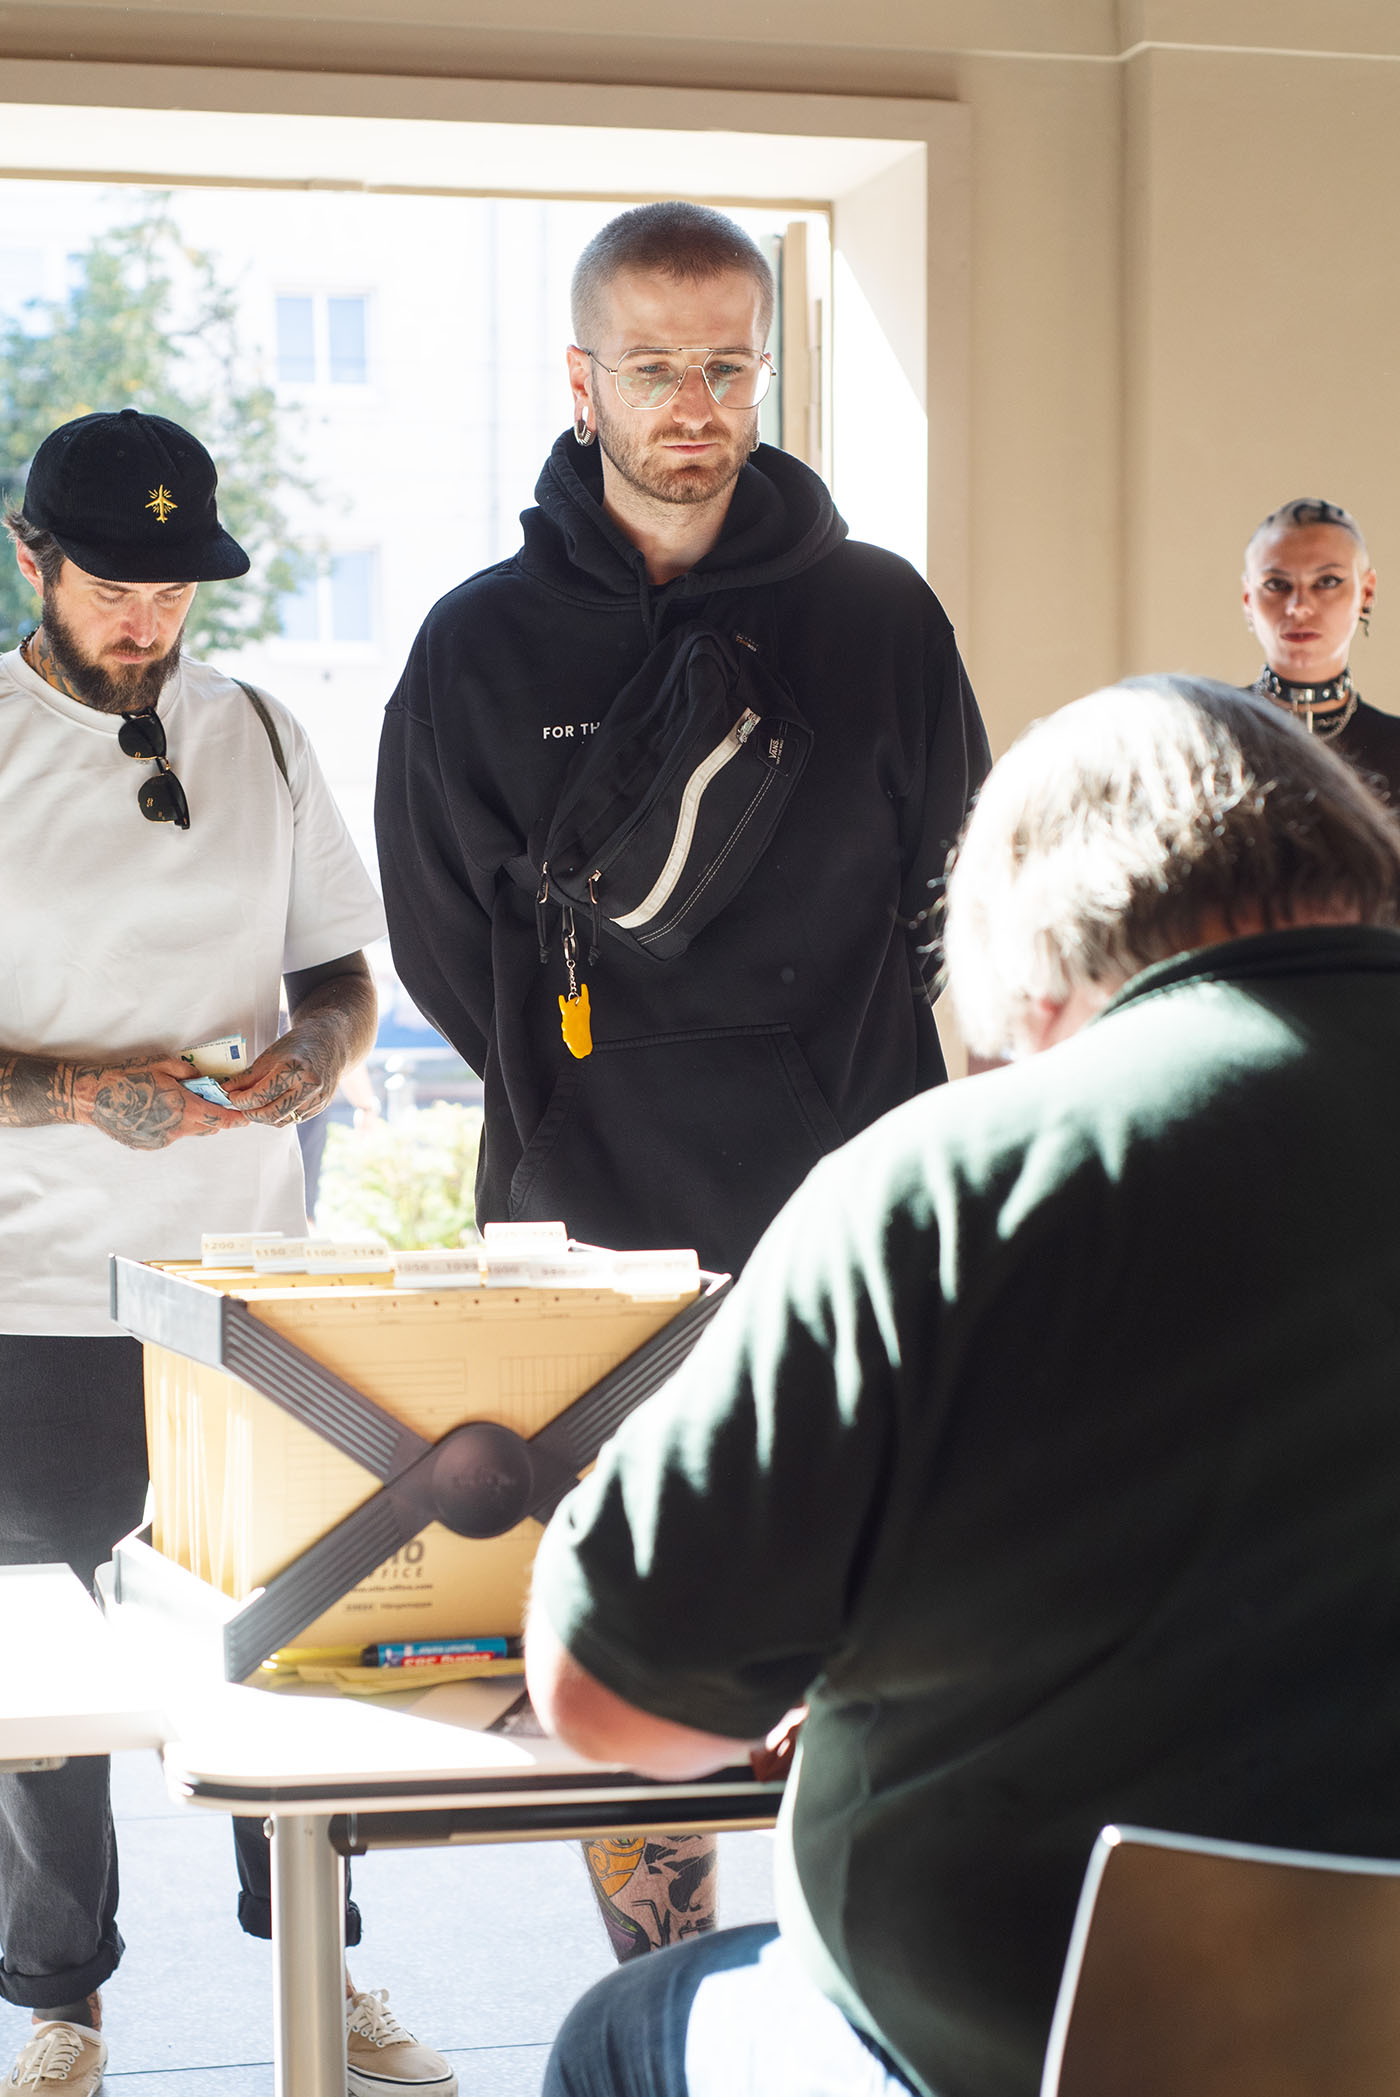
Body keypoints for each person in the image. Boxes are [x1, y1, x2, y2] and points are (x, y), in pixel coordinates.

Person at [524, 676, 1400, 2097]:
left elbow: (615, 1700)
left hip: (1018, 2052)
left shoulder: (953, 1182)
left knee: (620, 2031)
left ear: (1034, 956)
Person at [375, 198, 988, 1959]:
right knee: (636, 1641)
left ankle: (866, 1995)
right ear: (583, 381)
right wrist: (577, 1093)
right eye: (654, 368)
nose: (696, 405)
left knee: (878, 1628)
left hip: (847, 1218)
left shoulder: (877, 613)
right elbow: (441, 945)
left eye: (728, 365)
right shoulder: (478, 644)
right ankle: (676, 2002)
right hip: (584, 1235)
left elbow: (960, 892)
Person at [0, 410, 453, 2097]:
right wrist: (75, 1092)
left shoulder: (257, 729)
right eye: (114, 586)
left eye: (174, 589)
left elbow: (340, 969)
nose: (147, 620)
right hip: (34, 1290)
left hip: (245, 1281)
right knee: (43, 1685)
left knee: (285, 1645)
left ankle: (323, 1967)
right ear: (33, 559)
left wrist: (317, 1059)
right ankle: (60, 2004)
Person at [1242, 494, 1400, 794]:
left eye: (1327, 581)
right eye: (1276, 584)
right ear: (1248, 599)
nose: (1299, 607)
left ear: (1366, 593)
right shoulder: (1205, 735)